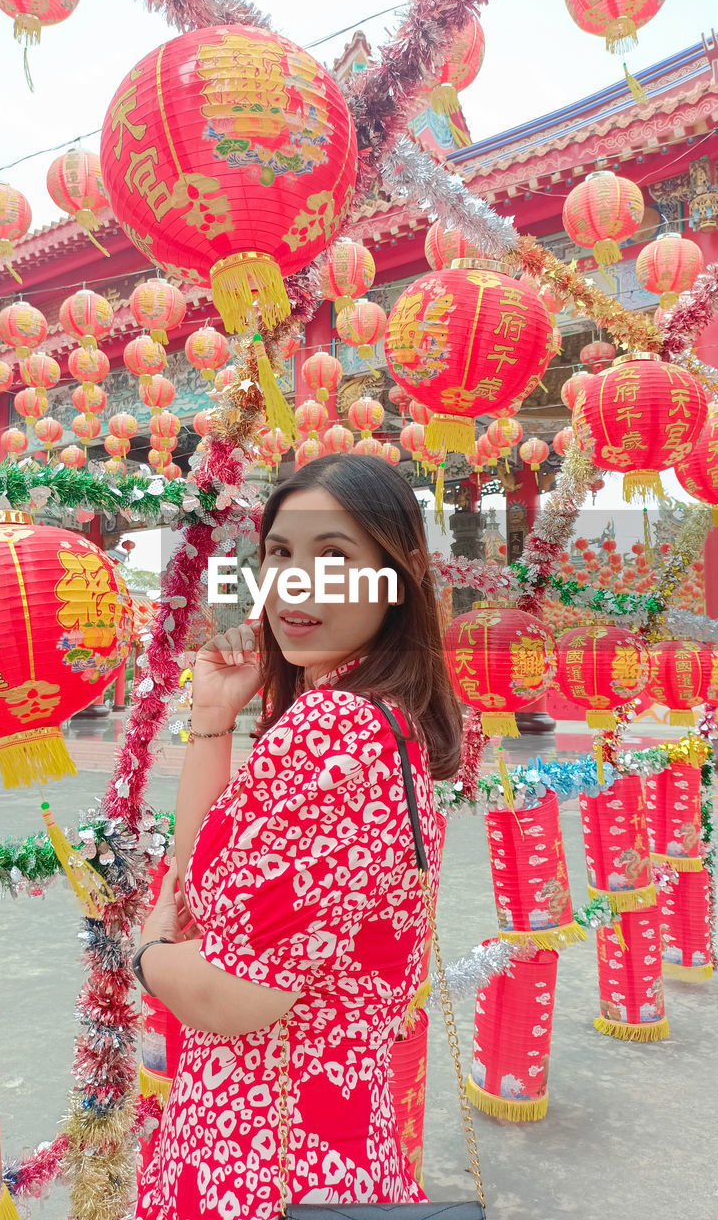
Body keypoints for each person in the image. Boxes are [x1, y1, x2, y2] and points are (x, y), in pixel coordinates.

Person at [133, 453, 463, 1219]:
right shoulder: (381, 722)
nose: (296, 584)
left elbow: (232, 993)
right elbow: (206, 885)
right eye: (279, 555)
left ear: (396, 577)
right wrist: (215, 717)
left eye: (334, 557)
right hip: (333, 1150)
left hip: (254, 1161)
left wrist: (149, 958)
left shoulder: (332, 729)